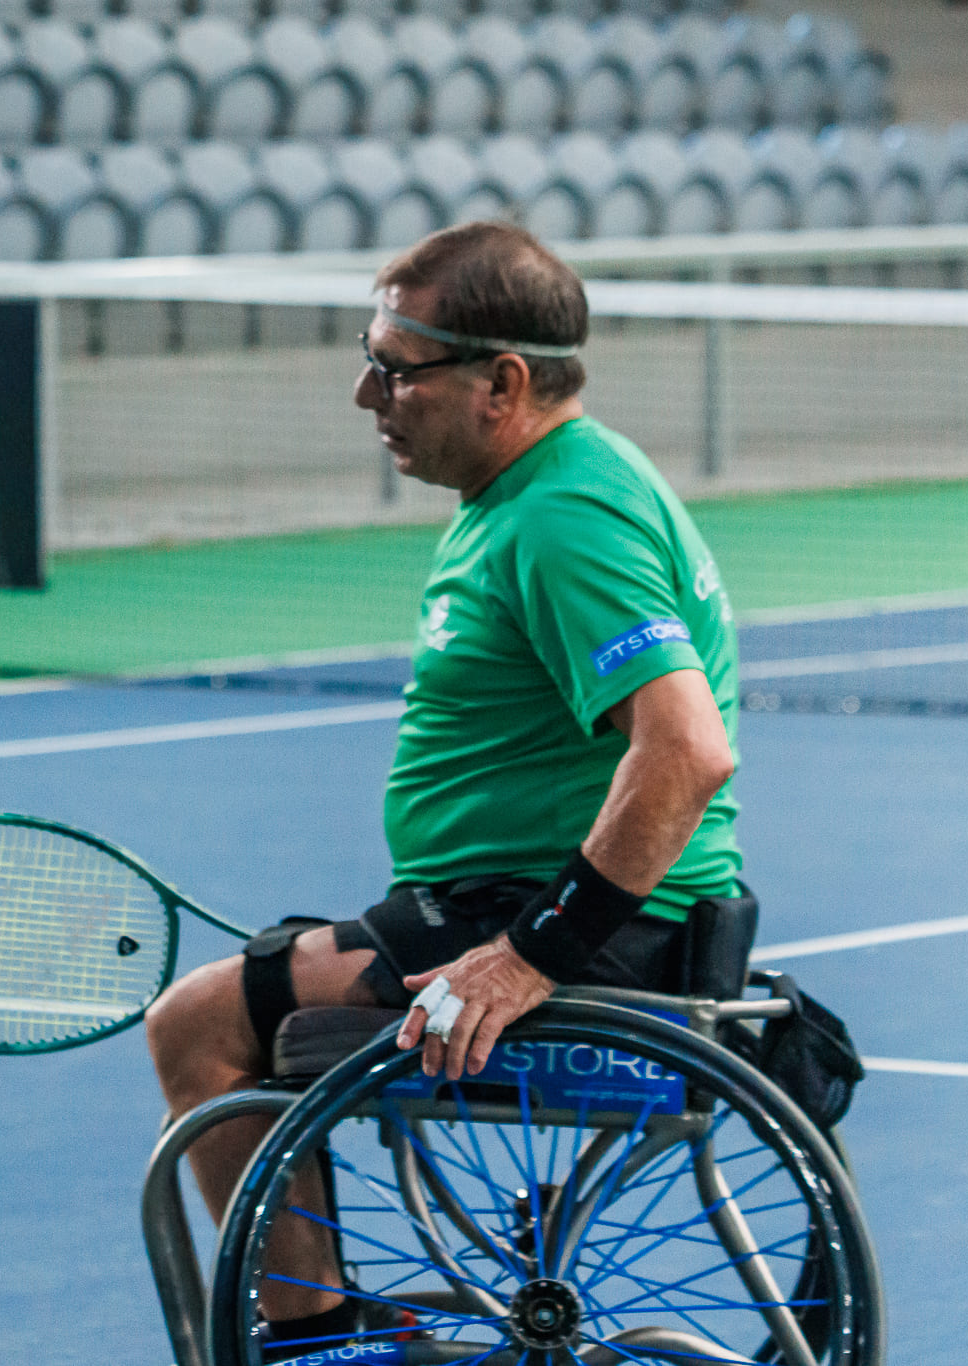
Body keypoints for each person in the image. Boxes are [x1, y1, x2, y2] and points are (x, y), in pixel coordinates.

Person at [145, 222, 743, 1352]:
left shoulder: (565, 514)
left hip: (565, 921)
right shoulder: (544, 488)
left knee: (198, 1024)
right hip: (509, 899)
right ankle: (329, 1325)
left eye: (396, 367)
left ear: (501, 381)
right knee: (269, 981)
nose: (369, 394)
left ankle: (317, 1336)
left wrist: (527, 957)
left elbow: (684, 750)